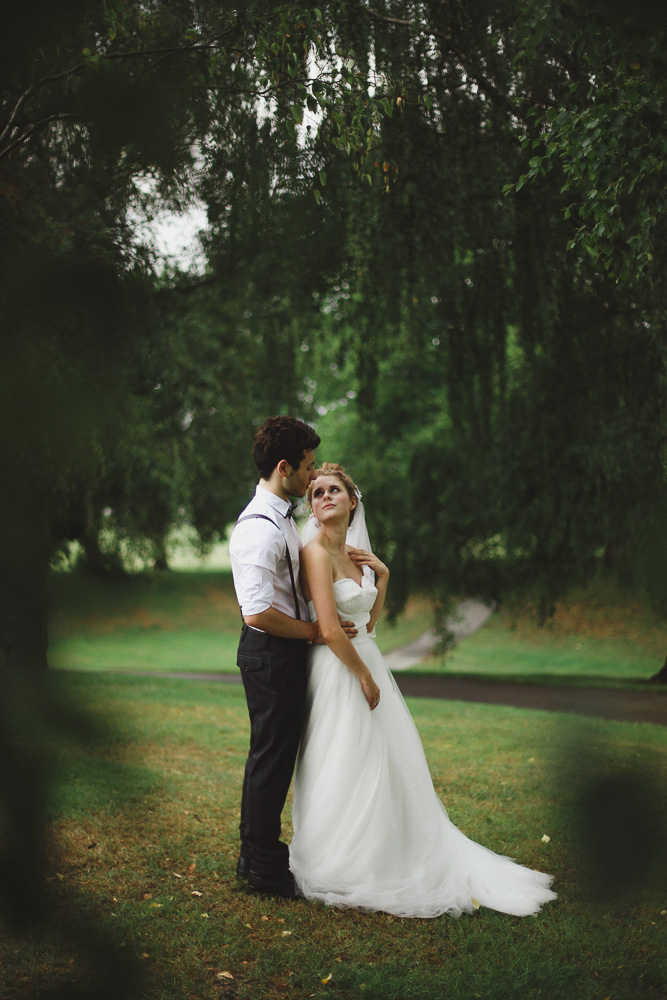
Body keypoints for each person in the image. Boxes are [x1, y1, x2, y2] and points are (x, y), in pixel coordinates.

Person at [289, 463, 557, 918]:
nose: (325, 497)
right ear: (311, 507)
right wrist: (364, 676)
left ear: (352, 502)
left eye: (335, 490)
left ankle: (392, 849)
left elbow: (369, 624)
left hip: (367, 661)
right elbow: (332, 631)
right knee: (343, 759)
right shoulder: (314, 552)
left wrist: (384, 577)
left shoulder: (356, 555)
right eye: (316, 493)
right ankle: (342, 858)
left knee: (384, 761)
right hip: (340, 670)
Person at [228, 418, 356, 899]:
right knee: (271, 758)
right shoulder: (258, 530)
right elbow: (258, 612)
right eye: (305, 468)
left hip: (283, 651)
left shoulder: (281, 514)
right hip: (269, 653)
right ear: (283, 469)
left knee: (272, 756)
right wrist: (317, 632)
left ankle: (252, 859)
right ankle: (264, 869)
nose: (310, 477)